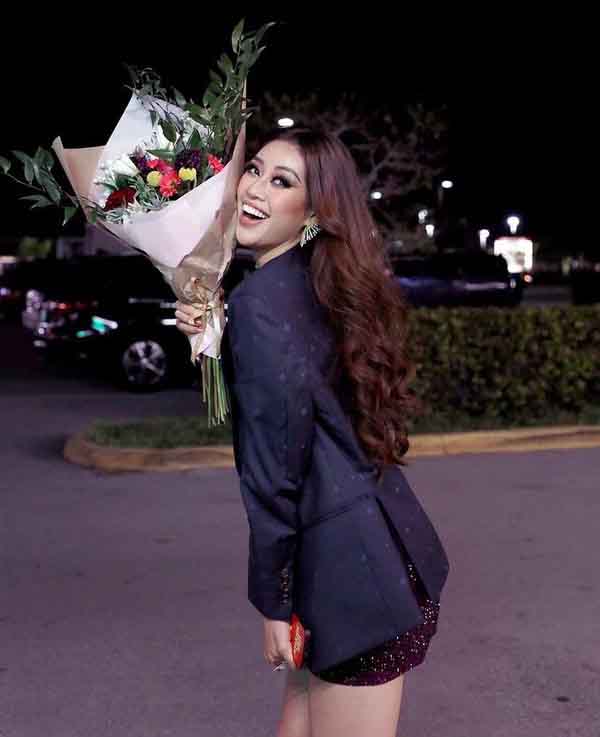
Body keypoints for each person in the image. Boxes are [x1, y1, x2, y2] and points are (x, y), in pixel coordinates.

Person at [175, 127, 450, 737]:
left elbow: (274, 472)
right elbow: (297, 399)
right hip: (374, 559)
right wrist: (212, 336)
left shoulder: (262, 303)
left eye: (283, 182)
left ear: (314, 210)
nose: (255, 189)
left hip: (352, 588)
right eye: (254, 170)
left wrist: (274, 602)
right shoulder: (315, 281)